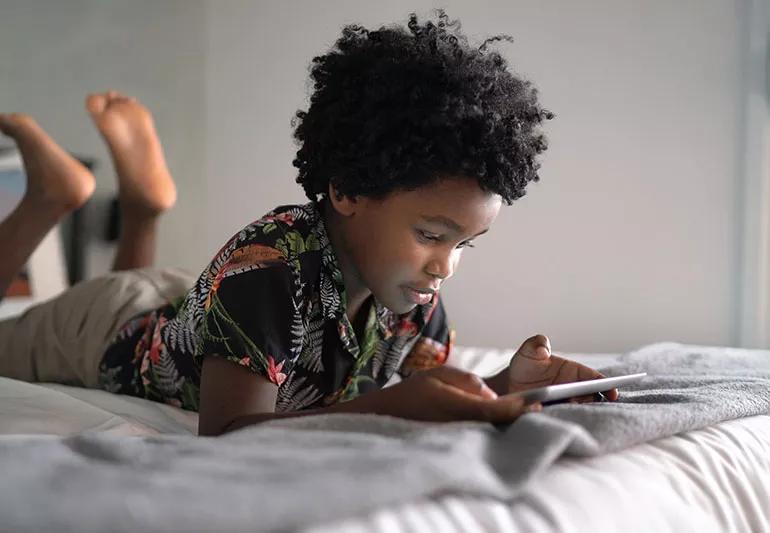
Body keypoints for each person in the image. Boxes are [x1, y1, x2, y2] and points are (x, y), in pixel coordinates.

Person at [0, 10, 618, 437]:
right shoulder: (267, 276)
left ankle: (143, 206)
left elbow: (438, 391)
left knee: (157, 306)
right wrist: (393, 410)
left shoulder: (415, 298)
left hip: (185, 307)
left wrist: (508, 380)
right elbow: (229, 432)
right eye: (431, 235)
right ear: (346, 189)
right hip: (101, 326)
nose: (445, 265)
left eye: (465, 245)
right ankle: (48, 197)